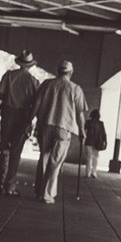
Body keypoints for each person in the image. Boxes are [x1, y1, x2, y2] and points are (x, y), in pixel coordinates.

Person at [31, 60, 86, 204]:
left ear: (57, 71)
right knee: (55, 162)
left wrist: (28, 121)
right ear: (71, 72)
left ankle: (39, 191)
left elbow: (36, 105)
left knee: (43, 157)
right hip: (64, 128)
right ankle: (47, 194)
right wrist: (82, 131)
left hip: (45, 125)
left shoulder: (47, 84)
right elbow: (80, 113)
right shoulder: (75, 89)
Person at [0, 50, 41, 195]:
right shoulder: (34, 82)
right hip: (23, 117)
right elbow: (36, 102)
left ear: (19, 62)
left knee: (4, 149)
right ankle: (10, 185)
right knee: (16, 152)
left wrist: (9, 95)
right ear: (30, 65)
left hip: (8, 114)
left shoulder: (9, 76)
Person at [83, 108, 107, 178]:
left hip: (89, 141)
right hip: (97, 142)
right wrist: (105, 141)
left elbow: (84, 130)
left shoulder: (88, 122)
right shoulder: (101, 123)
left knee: (89, 157)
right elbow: (103, 133)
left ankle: (88, 173)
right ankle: (94, 172)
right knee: (95, 158)